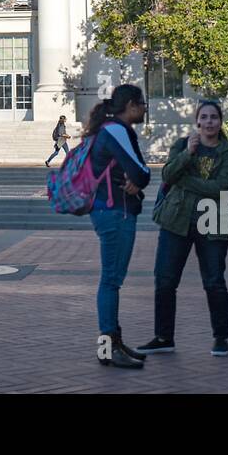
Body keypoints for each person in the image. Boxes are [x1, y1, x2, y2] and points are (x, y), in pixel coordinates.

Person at [139, 99, 228, 357]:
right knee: (165, 280)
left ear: (220, 121)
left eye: (213, 117)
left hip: (213, 222)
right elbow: (168, 175)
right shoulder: (183, 145)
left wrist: (186, 181)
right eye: (204, 117)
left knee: (214, 282)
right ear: (197, 121)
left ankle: (221, 337)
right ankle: (163, 337)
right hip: (176, 220)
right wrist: (187, 154)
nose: (208, 122)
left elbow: (220, 187)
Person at [84, 84, 152, 369]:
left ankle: (114, 343)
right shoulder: (115, 130)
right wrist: (140, 179)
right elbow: (141, 171)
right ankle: (108, 347)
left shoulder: (111, 129)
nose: (145, 109)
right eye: (142, 104)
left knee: (112, 280)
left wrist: (137, 180)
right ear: (131, 106)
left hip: (113, 211)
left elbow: (133, 172)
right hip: (115, 213)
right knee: (111, 280)